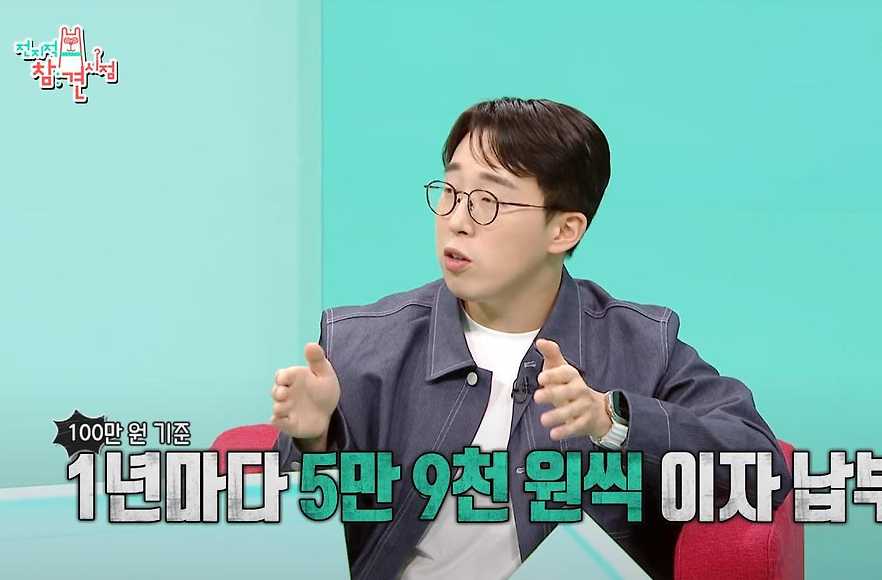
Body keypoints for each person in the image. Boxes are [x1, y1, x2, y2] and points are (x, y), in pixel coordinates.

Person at [270, 97, 790, 580]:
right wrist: (314, 441)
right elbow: (295, 539)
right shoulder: (362, 343)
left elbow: (761, 470)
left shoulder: (641, 345)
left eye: (489, 201)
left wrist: (613, 421)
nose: (457, 221)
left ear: (564, 230)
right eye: (450, 192)